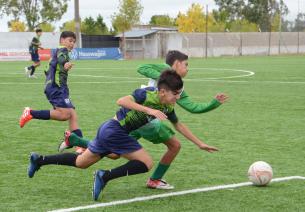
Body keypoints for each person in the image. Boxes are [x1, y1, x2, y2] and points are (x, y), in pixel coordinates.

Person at [27, 70, 218, 201]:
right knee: (146, 163)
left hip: (110, 131)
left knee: (81, 163)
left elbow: (179, 125)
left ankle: (39, 160)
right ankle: (104, 176)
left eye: (179, 93)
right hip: (114, 129)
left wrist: (200, 144)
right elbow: (122, 100)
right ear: (162, 91)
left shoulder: (167, 106)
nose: (178, 97)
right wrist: (148, 111)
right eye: (175, 94)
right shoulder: (147, 94)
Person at [58, 50, 228, 189]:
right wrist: (162, 81)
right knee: (171, 147)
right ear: (175, 64)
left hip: (136, 121)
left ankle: (76, 140)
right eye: (186, 64)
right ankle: (152, 180)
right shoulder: (160, 80)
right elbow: (141, 69)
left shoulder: (174, 91)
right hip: (145, 121)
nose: (188, 68)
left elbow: (186, 113)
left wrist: (201, 138)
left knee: (113, 154)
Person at [19, 31, 84, 146]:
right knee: (64, 115)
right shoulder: (62, 50)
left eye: (74, 42)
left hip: (57, 87)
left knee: (72, 114)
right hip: (56, 87)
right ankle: (30, 113)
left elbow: (46, 69)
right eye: (70, 40)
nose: (72, 44)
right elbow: (61, 59)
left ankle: (80, 146)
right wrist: (65, 64)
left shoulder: (55, 52)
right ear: (62, 40)